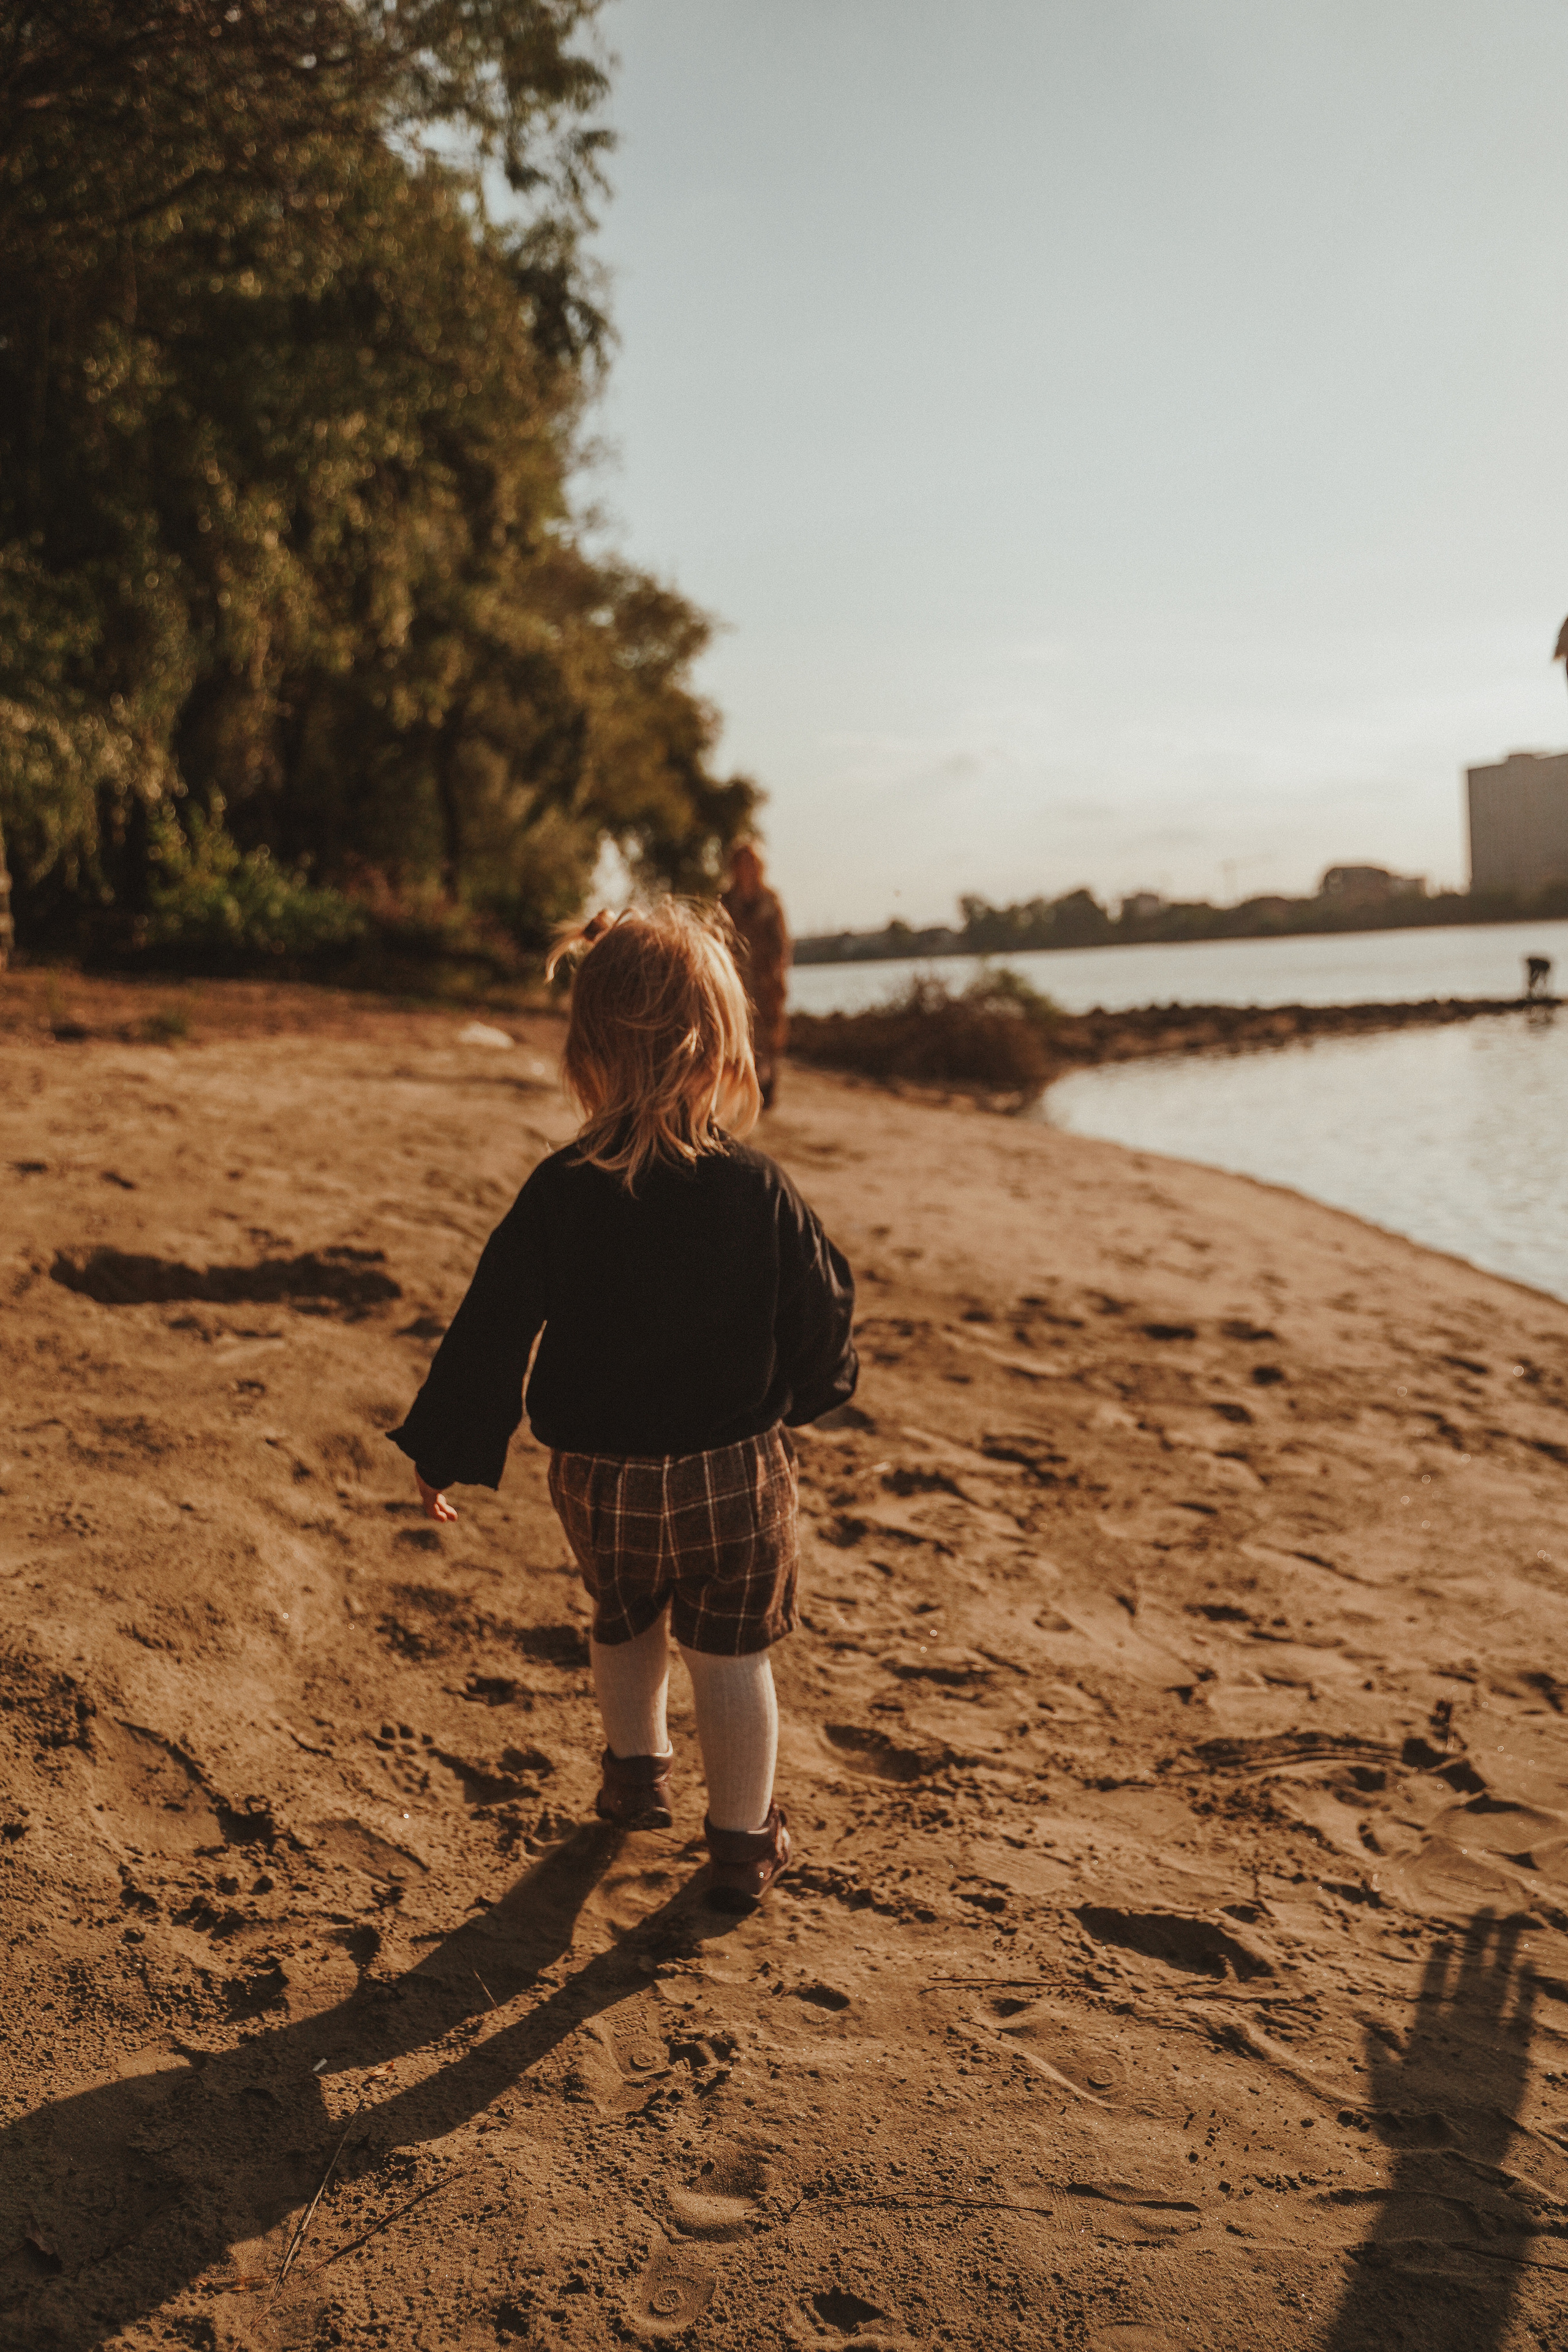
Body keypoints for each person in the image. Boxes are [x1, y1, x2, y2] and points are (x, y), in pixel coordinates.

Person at [387, 900, 857, 1908]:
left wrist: (448, 1445)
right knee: (732, 1655)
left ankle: (634, 1775)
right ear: (722, 1049)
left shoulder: (559, 1190)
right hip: (733, 1475)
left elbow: (492, 1324)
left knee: (625, 1620)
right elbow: (817, 1302)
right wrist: (818, 1388)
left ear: (586, 1050)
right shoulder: (757, 1188)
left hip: (598, 1479)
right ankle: (742, 1843)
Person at [722, 842, 791, 1110]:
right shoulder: (726, 902)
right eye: (742, 863)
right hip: (736, 980)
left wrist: (779, 973)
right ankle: (741, 1090)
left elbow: (782, 943)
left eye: (752, 863)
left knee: (770, 1035)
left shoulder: (771, 901)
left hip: (766, 980)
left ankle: (768, 1088)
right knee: (738, 1032)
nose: (747, 869)